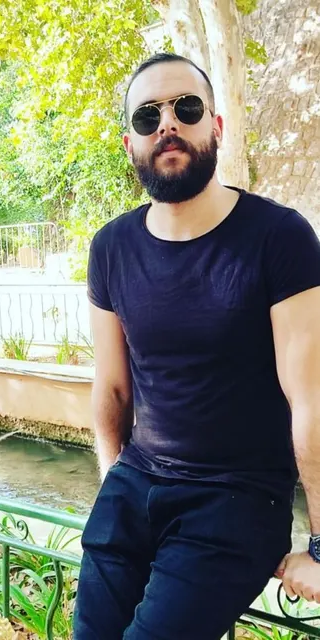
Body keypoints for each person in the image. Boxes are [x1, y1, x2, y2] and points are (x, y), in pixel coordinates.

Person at [72, 52, 320, 640]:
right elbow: (112, 388)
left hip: (235, 501)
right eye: (148, 115)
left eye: (186, 108)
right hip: (133, 487)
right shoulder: (111, 247)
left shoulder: (279, 237)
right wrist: (112, 483)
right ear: (130, 143)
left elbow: (311, 399)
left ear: (217, 126)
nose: (168, 124)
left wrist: (319, 545)